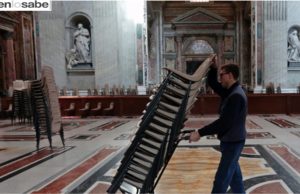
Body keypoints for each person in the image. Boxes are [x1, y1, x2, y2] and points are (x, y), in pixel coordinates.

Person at [189, 57, 248, 194]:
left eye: (222, 75)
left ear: (230, 76)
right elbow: (213, 83)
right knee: (235, 177)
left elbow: (224, 123)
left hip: (233, 142)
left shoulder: (236, 96)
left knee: (221, 180)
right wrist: (213, 68)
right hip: (231, 140)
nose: (220, 78)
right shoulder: (230, 91)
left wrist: (200, 132)